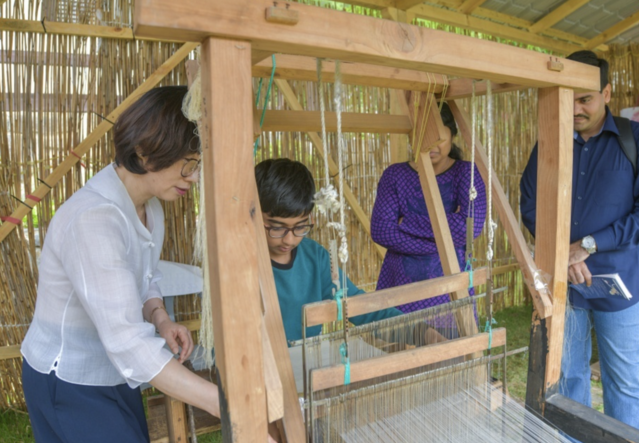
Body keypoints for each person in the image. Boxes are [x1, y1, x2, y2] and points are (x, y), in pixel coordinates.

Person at [20, 86, 224, 443]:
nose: (193, 178)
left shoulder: (150, 208)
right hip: (68, 378)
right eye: (188, 164)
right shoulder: (93, 220)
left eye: (198, 165)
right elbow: (127, 340)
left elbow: (144, 276)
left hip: (114, 370)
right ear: (145, 153)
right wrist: (219, 402)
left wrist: (159, 317)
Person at [520, 50, 639, 429]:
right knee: (568, 381)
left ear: (607, 92)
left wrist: (586, 247)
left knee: (624, 385)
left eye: (585, 98)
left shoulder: (632, 140)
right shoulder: (550, 142)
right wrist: (562, 255)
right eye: (568, 97)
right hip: (564, 287)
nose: (574, 108)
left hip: (619, 288)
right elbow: (529, 201)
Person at [255, 158, 402, 344]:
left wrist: (417, 330)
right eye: (277, 228)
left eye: (300, 226)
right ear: (253, 213)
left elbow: (355, 303)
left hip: (301, 364)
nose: (289, 239)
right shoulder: (238, 259)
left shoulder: (315, 258)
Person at [370, 102, 487, 313]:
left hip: (449, 286)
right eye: (422, 136)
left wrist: (406, 223)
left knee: (452, 341)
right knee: (400, 340)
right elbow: (382, 231)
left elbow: (469, 228)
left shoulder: (466, 174)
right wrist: (444, 247)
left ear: (452, 136)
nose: (432, 145)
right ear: (411, 137)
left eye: (439, 139)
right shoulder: (395, 175)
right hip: (401, 284)